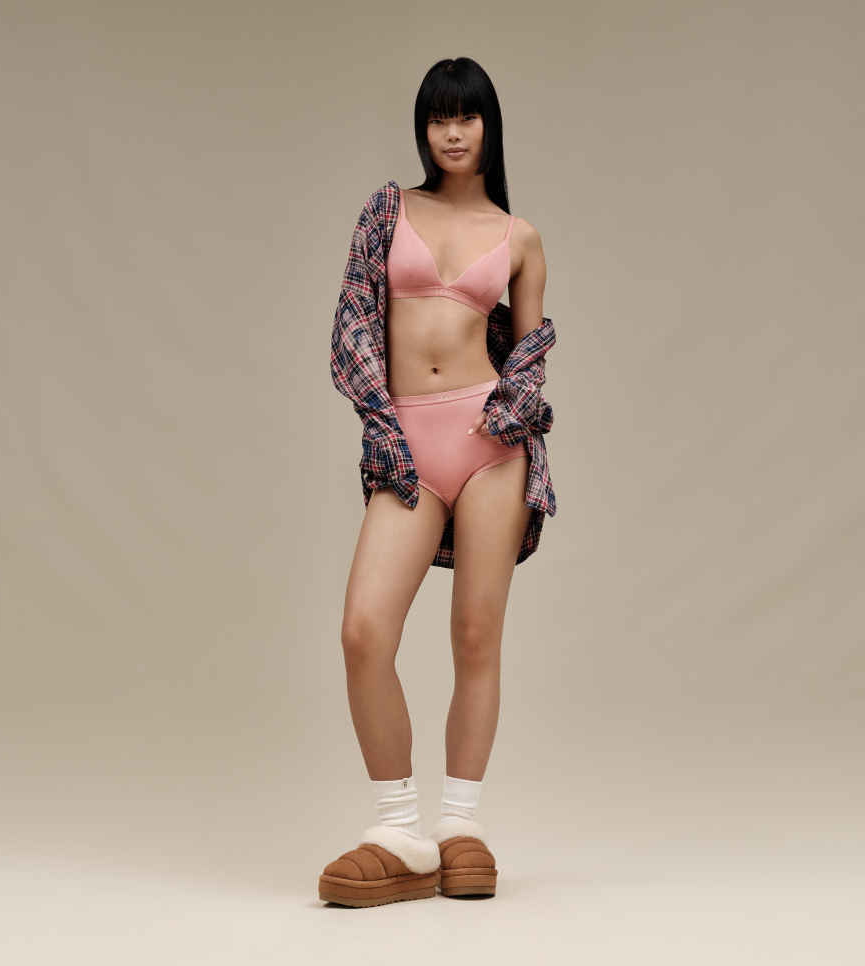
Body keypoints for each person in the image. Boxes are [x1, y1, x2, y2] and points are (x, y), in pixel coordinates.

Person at [319, 57, 557, 907]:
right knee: (364, 632)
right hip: (406, 442)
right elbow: (353, 321)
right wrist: (380, 422)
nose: (451, 133)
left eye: (466, 117)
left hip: (491, 446)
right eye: (437, 119)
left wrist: (515, 409)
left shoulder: (519, 237)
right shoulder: (389, 210)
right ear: (423, 129)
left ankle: (460, 829)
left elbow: (528, 354)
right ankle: (398, 832)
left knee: (475, 638)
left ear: (490, 126)